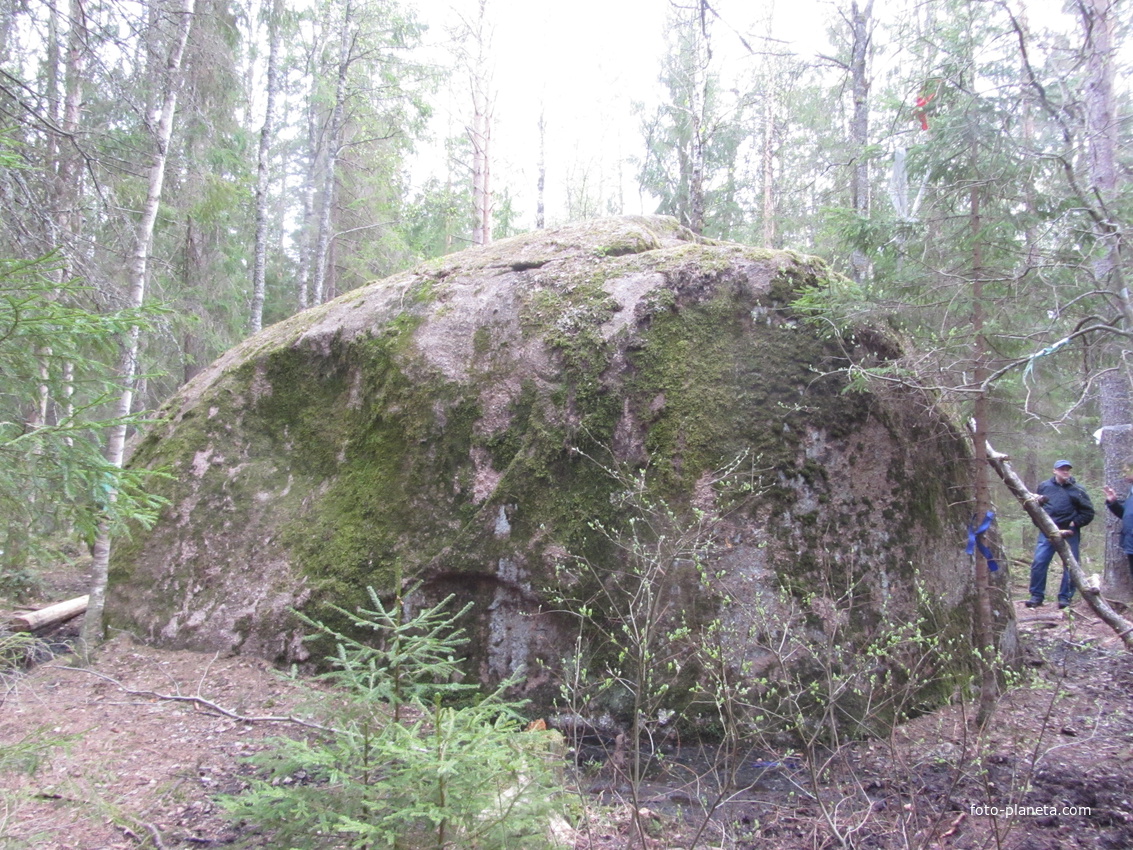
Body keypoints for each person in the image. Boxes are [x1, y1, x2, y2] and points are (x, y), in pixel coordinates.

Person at [1025, 460, 1095, 609]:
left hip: (1070, 533)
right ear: (1054, 471)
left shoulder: (1078, 489)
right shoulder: (1045, 486)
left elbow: (1088, 512)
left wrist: (1075, 523)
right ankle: (1036, 596)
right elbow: (1035, 507)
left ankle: (1065, 598)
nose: (1065, 472)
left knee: (1071, 565)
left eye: (1067, 470)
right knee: (1039, 562)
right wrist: (1040, 524)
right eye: (1062, 469)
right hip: (1048, 531)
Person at [1103, 462, 1133, 586]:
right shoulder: (1131, 493)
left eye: (1127, 471)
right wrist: (1113, 502)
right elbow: (1126, 515)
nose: (1124, 474)